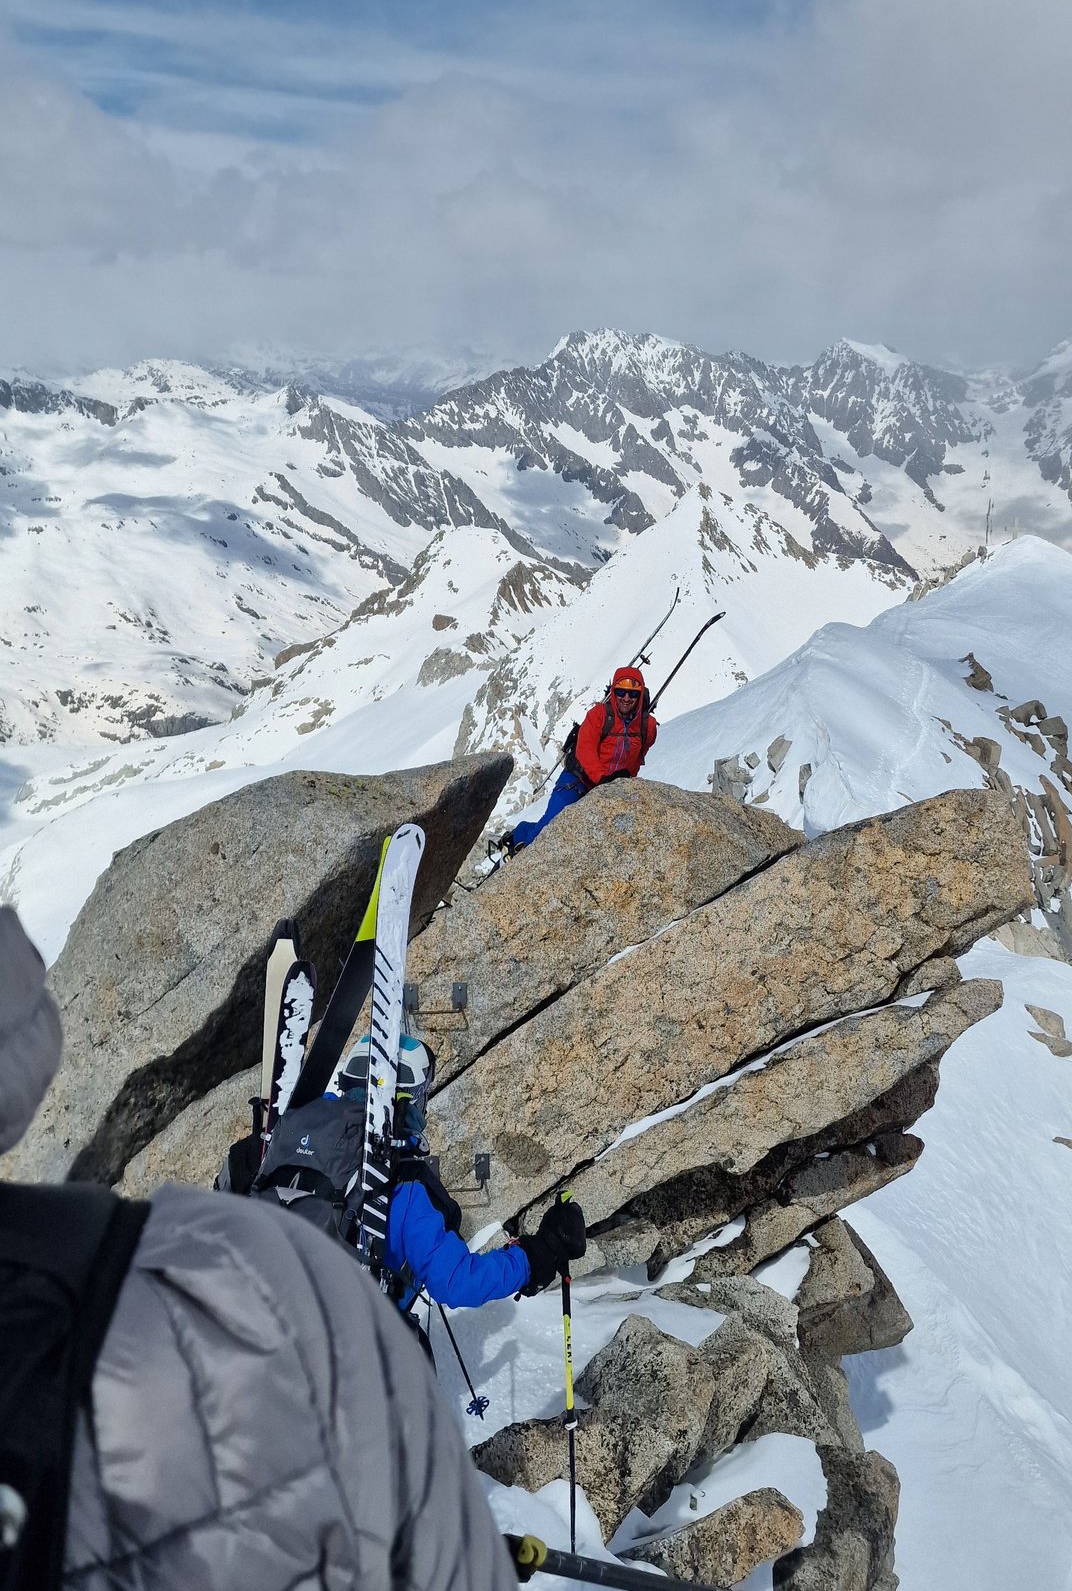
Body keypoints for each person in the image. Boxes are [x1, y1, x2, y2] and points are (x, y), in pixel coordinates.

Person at [0, 903, 521, 1591]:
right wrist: (535, 1259)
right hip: (356, 1357)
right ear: (402, 1105)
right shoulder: (402, 1190)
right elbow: (455, 1282)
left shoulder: (275, 1159)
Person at [252, 1032, 585, 1311]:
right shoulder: (405, 1181)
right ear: (409, 1098)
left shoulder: (281, 1145)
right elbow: (456, 1282)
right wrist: (534, 1256)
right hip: (340, 1356)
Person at [499, 664, 659, 854]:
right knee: (550, 827)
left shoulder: (647, 727)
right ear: (614, 691)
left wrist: (622, 783)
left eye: (632, 694)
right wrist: (602, 778)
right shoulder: (598, 715)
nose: (626, 698)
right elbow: (585, 750)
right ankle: (518, 836)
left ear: (640, 695)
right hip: (578, 780)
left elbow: (637, 758)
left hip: (610, 787)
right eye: (621, 692)